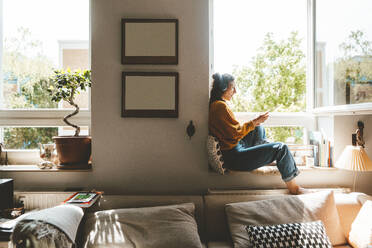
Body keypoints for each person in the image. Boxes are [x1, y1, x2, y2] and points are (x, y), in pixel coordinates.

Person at [208, 72, 307, 195]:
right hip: (234, 157)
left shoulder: (218, 104)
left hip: (234, 148)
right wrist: (254, 122)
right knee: (281, 148)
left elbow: (232, 132)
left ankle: (268, 157)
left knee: (257, 128)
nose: (235, 91)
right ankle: (294, 188)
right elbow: (235, 133)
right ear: (223, 88)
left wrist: (255, 123)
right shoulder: (220, 107)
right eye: (232, 87)